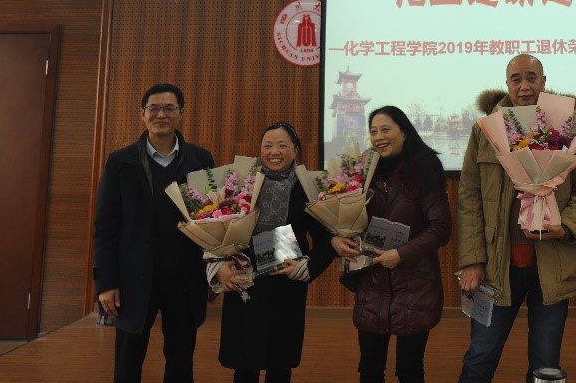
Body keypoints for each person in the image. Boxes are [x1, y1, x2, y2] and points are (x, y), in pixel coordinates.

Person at [456, 54, 576, 383]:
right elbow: (469, 197)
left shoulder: (567, 126)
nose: (524, 86)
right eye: (516, 79)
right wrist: (472, 260)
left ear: (544, 82)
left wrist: (566, 226)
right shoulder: (485, 130)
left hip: (553, 262)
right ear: (507, 84)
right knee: (481, 355)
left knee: (545, 362)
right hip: (496, 265)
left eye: (532, 77)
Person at [93, 83, 215, 383]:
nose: (162, 115)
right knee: (127, 361)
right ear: (143, 114)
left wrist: (213, 271)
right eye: (154, 109)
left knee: (180, 360)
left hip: (184, 278)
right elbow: (106, 226)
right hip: (133, 280)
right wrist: (106, 282)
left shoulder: (200, 160)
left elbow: (212, 220)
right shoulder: (120, 162)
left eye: (169, 108)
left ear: (180, 114)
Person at [331, 106, 452, 383]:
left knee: (409, 371)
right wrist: (336, 238)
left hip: (414, 283)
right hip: (372, 280)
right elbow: (345, 218)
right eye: (373, 131)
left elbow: (441, 228)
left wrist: (402, 253)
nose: (379, 137)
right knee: (369, 369)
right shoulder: (363, 170)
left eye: (386, 130)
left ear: (404, 132)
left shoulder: (425, 168)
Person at [211, 122, 335, 383]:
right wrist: (218, 265)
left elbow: (327, 241)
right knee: (244, 365)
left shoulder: (308, 188)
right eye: (267, 146)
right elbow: (213, 229)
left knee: (280, 365)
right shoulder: (242, 185)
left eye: (282, 145)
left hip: (286, 285)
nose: (274, 152)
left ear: (296, 150)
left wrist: (307, 267)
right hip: (245, 282)